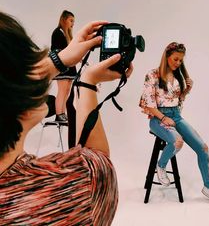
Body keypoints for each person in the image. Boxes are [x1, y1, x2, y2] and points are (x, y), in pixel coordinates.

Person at [0, 12, 131, 224]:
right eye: (31, 63)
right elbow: (97, 161)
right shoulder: (74, 188)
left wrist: (58, 60)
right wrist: (87, 84)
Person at [139, 42, 209, 207]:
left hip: (176, 116)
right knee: (177, 141)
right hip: (157, 119)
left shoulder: (178, 76)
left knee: (203, 148)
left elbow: (177, 102)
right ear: (167, 56)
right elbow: (148, 104)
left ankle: (208, 188)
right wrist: (163, 118)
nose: (178, 63)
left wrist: (186, 91)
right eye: (175, 59)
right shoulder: (153, 75)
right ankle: (161, 166)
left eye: (180, 61)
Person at [51, 10, 76, 123]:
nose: (72, 24)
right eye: (71, 20)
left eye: (73, 21)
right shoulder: (57, 33)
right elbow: (57, 51)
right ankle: (59, 114)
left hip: (69, 65)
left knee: (66, 90)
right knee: (62, 90)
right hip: (62, 66)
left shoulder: (66, 34)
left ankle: (62, 112)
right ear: (64, 20)